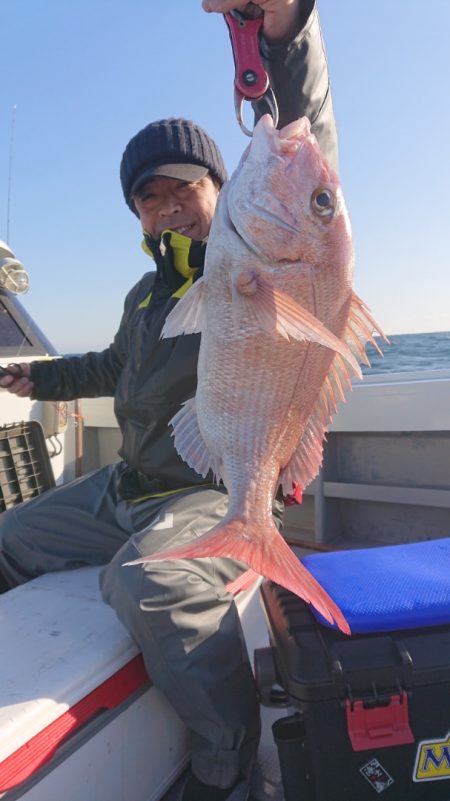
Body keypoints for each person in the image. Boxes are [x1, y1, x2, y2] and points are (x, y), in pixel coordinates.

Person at [0, 2, 338, 799]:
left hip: (208, 489)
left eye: (185, 187)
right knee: (10, 534)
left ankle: (228, 767)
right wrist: (35, 380)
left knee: (146, 581)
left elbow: (304, 138)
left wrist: (285, 30)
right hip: (126, 486)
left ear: (226, 189)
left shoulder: (263, 260)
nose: (168, 206)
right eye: (149, 198)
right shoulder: (146, 296)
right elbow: (116, 365)